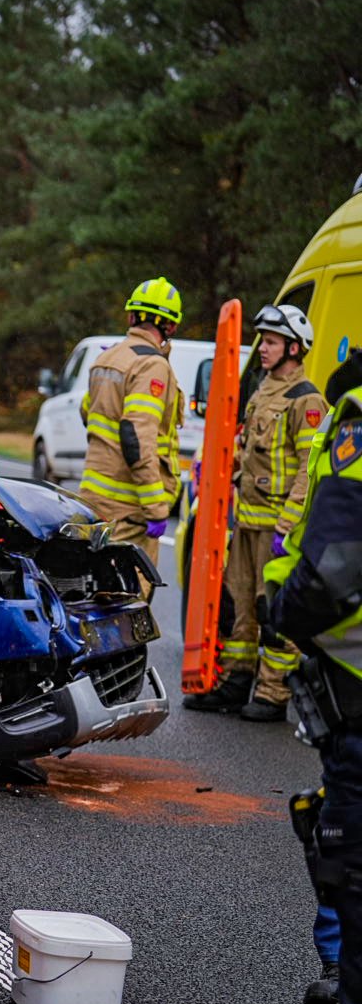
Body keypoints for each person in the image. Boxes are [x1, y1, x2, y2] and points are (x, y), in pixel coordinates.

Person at [264, 348, 362, 1004]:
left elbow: (330, 573)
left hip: (355, 688)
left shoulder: (349, 419)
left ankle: (346, 982)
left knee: (345, 850)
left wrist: (284, 613)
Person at [185, 303, 324, 717]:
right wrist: (216, 473)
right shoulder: (263, 391)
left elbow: (309, 468)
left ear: (295, 349)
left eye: (272, 342)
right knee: (238, 603)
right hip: (246, 520)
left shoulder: (307, 400)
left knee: (273, 609)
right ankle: (237, 679)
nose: (262, 348)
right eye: (263, 340)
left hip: (277, 526)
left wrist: (290, 523)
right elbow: (248, 451)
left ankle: (273, 692)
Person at [78, 277, 186, 567]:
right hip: (129, 509)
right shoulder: (152, 365)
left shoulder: (107, 357)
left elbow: (87, 412)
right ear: (171, 326)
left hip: (93, 497)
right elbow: (135, 437)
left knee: (92, 590)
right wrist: (155, 508)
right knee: (129, 596)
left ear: (131, 316)